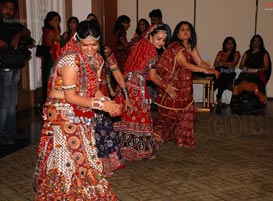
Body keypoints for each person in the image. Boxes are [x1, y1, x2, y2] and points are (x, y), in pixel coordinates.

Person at [33, 20, 120, 200]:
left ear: (99, 42)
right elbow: (71, 96)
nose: (89, 49)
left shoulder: (97, 60)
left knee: (86, 154)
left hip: (81, 110)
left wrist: (106, 101)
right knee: (74, 158)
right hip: (62, 112)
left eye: (94, 44)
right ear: (77, 41)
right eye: (85, 44)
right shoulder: (70, 60)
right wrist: (102, 105)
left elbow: (93, 89)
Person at [113, 24, 177, 161]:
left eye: (164, 40)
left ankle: (121, 149)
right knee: (140, 117)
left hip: (125, 83)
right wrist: (167, 87)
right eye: (158, 39)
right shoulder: (152, 52)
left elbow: (133, 67)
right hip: (136, 87)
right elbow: (153, 77)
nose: (161, 43)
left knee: (126, 116)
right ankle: (138, 151)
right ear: (150, 36)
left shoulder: (139, 45)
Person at [153, 21, 220, 148]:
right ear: (177, 34)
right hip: (174, 85)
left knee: (188, 111)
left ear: (191, 33)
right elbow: (184, 64)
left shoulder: (191, 46)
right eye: (182, 29)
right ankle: (155, 136)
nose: (185, 31)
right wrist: (204, 70)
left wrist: (211, 69)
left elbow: (200, 62)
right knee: (170, 116)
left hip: (186, 85)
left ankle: (183, 139)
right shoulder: (175, 47)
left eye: (188, 29)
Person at [94, 22, 134, 176]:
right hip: (84, 98)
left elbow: (117, 73)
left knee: (103, 130)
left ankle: (106, 163)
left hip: (102, 96)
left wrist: (126, 97)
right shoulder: (77, 54)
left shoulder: (105, 52)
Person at [0, 0, 34, 144]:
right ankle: (3, 134)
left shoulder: (13, 23)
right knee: (5, 101)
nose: (9, 11)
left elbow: (27, 32)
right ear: (1, 7)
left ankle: (11, 132)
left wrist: (17, 35)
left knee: (13, 101)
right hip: (4, 65)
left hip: (16, 65)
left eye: (12, 9)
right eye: (6, 8)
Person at [230, 34, 271, 115]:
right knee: (240, 81)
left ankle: (254, 103)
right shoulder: (247, 53)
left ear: (260, 42)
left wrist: (255, 70)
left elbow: (266, 67)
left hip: (258, 73)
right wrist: (244, 67)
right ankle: (240, 102)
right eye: (254, 41)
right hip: (246, 72)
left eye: (258, 41)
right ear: (251, 42)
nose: (256, 42)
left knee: (252, 80)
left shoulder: (264, 53)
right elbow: (241, 65)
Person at [40, 11, 62, 104]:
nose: (57, 22)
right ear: (49, 21)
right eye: (55, 20)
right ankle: (48, 101)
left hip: (53, 57)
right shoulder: (49, 31)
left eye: (58, 20)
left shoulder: (49, 30)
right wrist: (56, 28)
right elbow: (58, 38)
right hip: (50, 58)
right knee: (50, 79)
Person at [213, 36, 240, 109]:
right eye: (228, 43)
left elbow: (234, 64)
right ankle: (227, 86)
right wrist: (227, 64)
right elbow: (215, 64)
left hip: (229, 73)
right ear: (225, 44)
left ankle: (218, 99)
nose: (230, 45)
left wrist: (222, 62)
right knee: (220, 77)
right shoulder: (221, 52)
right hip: (220, 71)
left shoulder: (236, 53)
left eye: (232, 43)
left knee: (223, 78)